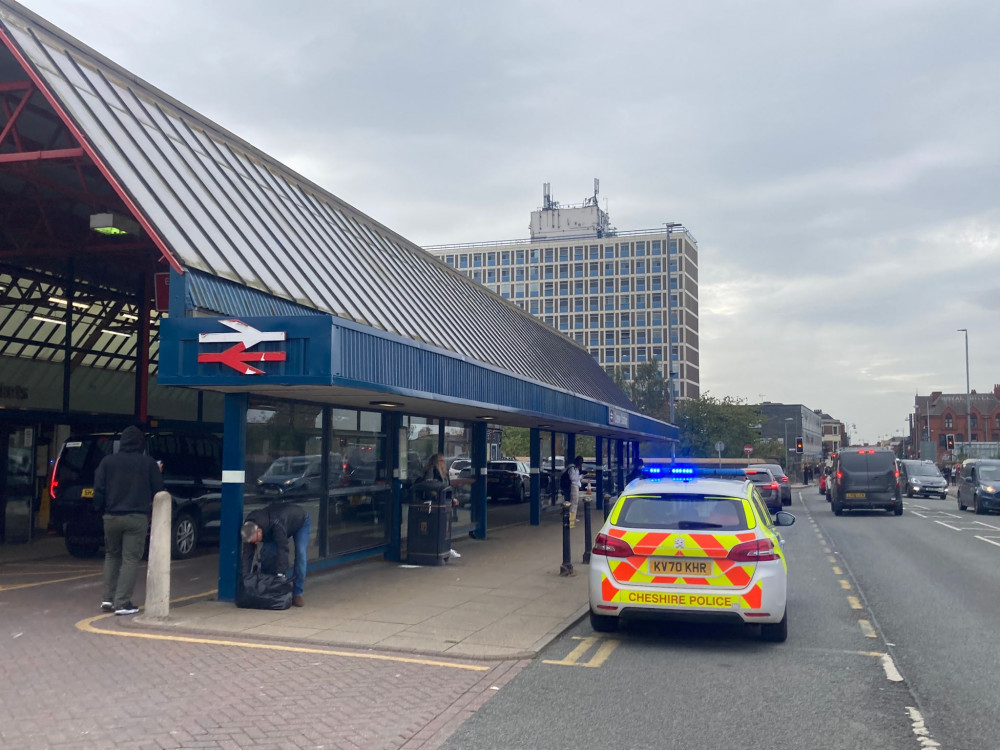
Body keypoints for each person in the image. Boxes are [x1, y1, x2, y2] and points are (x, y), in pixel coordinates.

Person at [93, 425, 165, 616]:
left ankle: (107, 599)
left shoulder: (107, 462)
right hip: (136, 517)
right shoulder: (147, 463)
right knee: (130, 559)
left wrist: (100, 509)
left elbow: (98, 490)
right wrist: (157, 471)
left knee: (111, 556)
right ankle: (122, 603)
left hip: (111, 517)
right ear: (141, 443)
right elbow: (159, 490)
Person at [241, 502, 311, 607]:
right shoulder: (249, 528)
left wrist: (280, 574)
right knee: (267, 553)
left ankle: (297, 593)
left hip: (300, 522)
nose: (255, 543)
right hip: (277, 526)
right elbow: (247, 554)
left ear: (259, 532)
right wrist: (244, 578)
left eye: (256, 540)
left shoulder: (276, 523)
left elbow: (283, 549)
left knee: (300, 554)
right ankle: (266, 587)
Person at [566, 455, 585, 528]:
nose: (581, 464)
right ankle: (571, 519)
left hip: (576, 486)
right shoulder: (572, 469)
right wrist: (581, 476)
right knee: (574, 503)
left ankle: (573, 517)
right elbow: (573, 478)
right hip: (573, 486)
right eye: (581, 462)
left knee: (575, 503)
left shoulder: (576, 469)